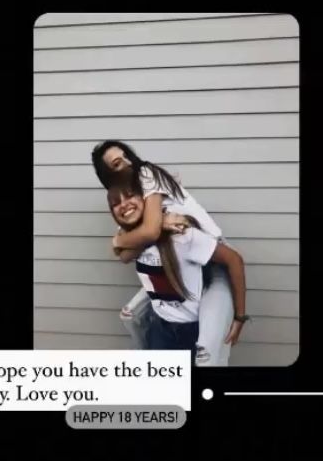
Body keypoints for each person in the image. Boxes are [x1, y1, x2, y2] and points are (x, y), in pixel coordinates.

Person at [91, 140, 246, 365]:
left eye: (126, 156)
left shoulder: (146, 172)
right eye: (117, 163)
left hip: (215, 261)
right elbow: (126, 253)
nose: (127, 163)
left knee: (208, 354)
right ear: (109, 177)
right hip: (187, 266)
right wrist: (123, 239)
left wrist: (120, 240)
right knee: (141, 315)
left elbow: (150, 233)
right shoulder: (135, 200)